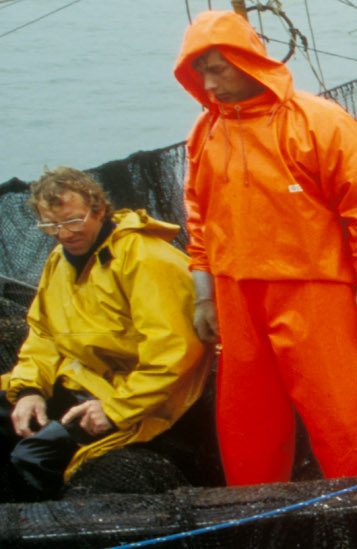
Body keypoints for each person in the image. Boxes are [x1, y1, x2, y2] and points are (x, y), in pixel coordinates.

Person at [175, 9, 357, 485]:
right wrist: (204, 292)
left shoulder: (319, 120)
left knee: (339, 417)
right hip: (237, 296)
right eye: (200, 72)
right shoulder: (205, 130)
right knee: (246, 422)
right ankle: (256, 522)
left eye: (218, 68)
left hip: (314, 294)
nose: (209, 83)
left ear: (248, 61)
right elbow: (199, 215)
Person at [0, 168, 207, 499]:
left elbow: (175, 353)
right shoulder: (59, 260)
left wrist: (114, 409)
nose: (64, 234)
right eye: (50, 225)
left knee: (32, 457)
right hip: (82, 380)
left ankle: (36, 532)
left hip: (142, 400)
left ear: (98, 209)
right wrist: (28, 389)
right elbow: (43, 332)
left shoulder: (145, 257)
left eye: (73, 221)